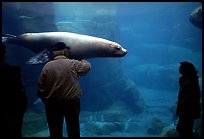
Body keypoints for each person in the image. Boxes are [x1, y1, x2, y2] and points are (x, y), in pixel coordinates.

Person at [37, 42, 91, 137]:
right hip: (71, 102)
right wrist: (84, 59)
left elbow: (41, 86)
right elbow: (86, 68)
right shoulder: (73, 63)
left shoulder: (47, 66)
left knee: (55, 130)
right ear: (65, 51)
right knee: (73, 128)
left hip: (52, 103)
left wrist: (45, 99)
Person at [0, 44, 27, 137]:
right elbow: (19, 92)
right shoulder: (12, 72)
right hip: (13, 111)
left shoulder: (12, 71)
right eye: (5, 52)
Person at [176, 61, 201, 137]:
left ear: (186, 69)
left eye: (181, 67)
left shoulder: (191, 81)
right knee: (182, 129)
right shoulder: (187, 79)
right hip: (185, 111)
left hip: (187, 111)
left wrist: (182, 109)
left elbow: (190, 98)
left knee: (185, 131)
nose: (179, 69)